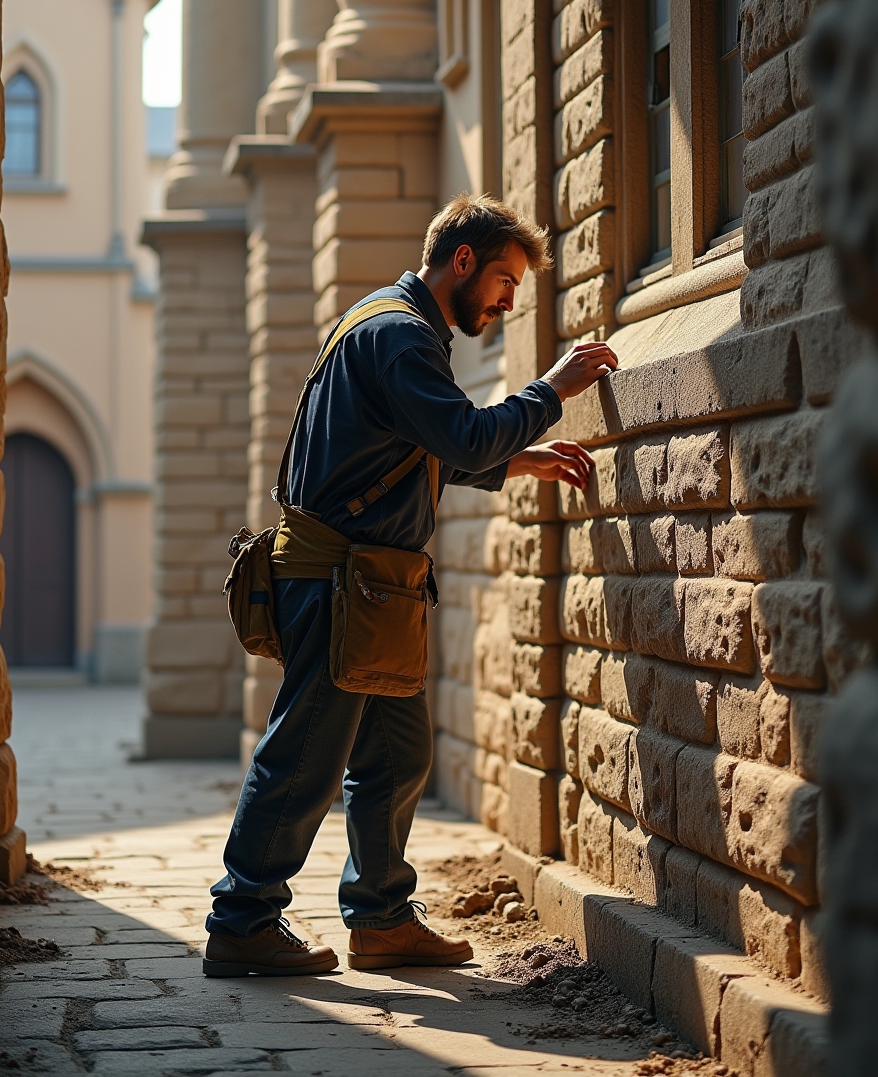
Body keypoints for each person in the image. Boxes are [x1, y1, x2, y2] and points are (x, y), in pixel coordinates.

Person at [203, 193, 618, 977]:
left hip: (370, 591)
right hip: (340, 587)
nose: (505, 300)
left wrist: (513, 460)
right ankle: (243, 919)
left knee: (396, 755)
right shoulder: (400, 337)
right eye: (503, 281)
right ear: (462, 261)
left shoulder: (387, 321)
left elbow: (412, 446)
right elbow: (457, 432)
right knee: (304, 759)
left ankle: (383, 918)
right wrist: (551, 390)